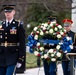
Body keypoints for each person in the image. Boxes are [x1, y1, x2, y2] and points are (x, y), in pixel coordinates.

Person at [0, 4, 25, 75]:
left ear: (13, 12)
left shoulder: (18, 25)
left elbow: (22, 43)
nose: (7, 13)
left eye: (9, 12)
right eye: (6, 12)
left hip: (12, 56)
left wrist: (21, 58)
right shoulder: (2, 25)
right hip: (2, 56)